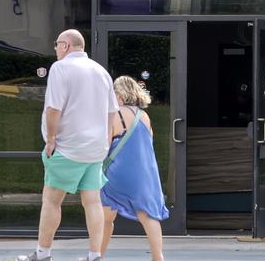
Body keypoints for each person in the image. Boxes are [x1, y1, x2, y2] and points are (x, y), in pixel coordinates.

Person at [18, 29, 118, 261]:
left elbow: (54, 108)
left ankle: (43, 254)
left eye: (56, 44)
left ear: (65, 45)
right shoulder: (101, 71)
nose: (55, 49)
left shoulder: (60, 68)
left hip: (67, 147)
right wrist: (105, 140)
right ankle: (95, 255)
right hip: (94, 150)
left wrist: (51, 140)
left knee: (52, 200)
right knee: (92, 202)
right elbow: (112, 111)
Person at [100, 76, 169, 261]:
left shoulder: (116, 114)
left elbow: (105, 146)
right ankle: (157, 256)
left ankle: (99, 255)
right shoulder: (144, 116)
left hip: (118, 172)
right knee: (148, 216)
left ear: (120, 94)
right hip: (145, 173)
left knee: (106, 217)